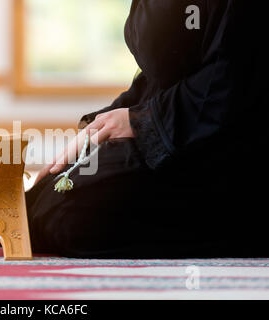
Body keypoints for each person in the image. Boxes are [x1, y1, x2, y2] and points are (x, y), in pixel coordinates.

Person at [25, 0, 268, 258]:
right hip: (179, 132)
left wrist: (141, 120)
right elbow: (158, 78)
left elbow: (230, 80)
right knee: (40, 199)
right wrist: (96, 130)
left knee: (67, 216)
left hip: (227, 151)